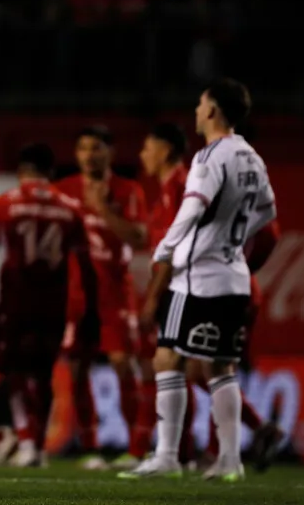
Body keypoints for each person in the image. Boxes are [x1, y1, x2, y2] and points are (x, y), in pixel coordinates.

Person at [121, 78, 277, 481]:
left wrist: (166, 249)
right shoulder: (250, 156)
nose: (195, 110)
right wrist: (233, 240)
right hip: (234, 277)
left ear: (211, 111)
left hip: (197, 278)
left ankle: (168, 456)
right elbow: (267, 212)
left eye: (200, 104)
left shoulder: (210, 157)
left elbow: (192, 209)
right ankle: (230, 460)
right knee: (222, 367)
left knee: (166, 357)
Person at [0, 144, 97, 468]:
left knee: (14, 372)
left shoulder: (4, 205)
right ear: (51, 173)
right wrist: (92, 311)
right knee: (43, 375)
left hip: (16, 300)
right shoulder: (70, 208)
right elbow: (86, 267)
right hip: (53, 302)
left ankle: (27, 440)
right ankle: (38, 446)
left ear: (21, 172)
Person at [55, 126, 149, 470]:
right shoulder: (63, 190)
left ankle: (136, 449)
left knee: (124, 364)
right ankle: (90, 448)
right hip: (76, 295)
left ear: (110, 152)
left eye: (96, 148)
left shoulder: (128, 190)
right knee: (77, 370)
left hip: (114, 292)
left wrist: (101, 209)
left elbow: (138, 237)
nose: (89, 155)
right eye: (83, 148)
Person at [132, 123, 193, 463]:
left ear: (166, 150)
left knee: (183, 367)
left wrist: (153, 296)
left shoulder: (181, 186)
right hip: (179, 285)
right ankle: (182, 452)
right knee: (188, 368)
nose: (143, 156)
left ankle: (184, 453)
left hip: (182, 287)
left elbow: (175, 250)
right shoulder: (169, 188)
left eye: (148, 148)